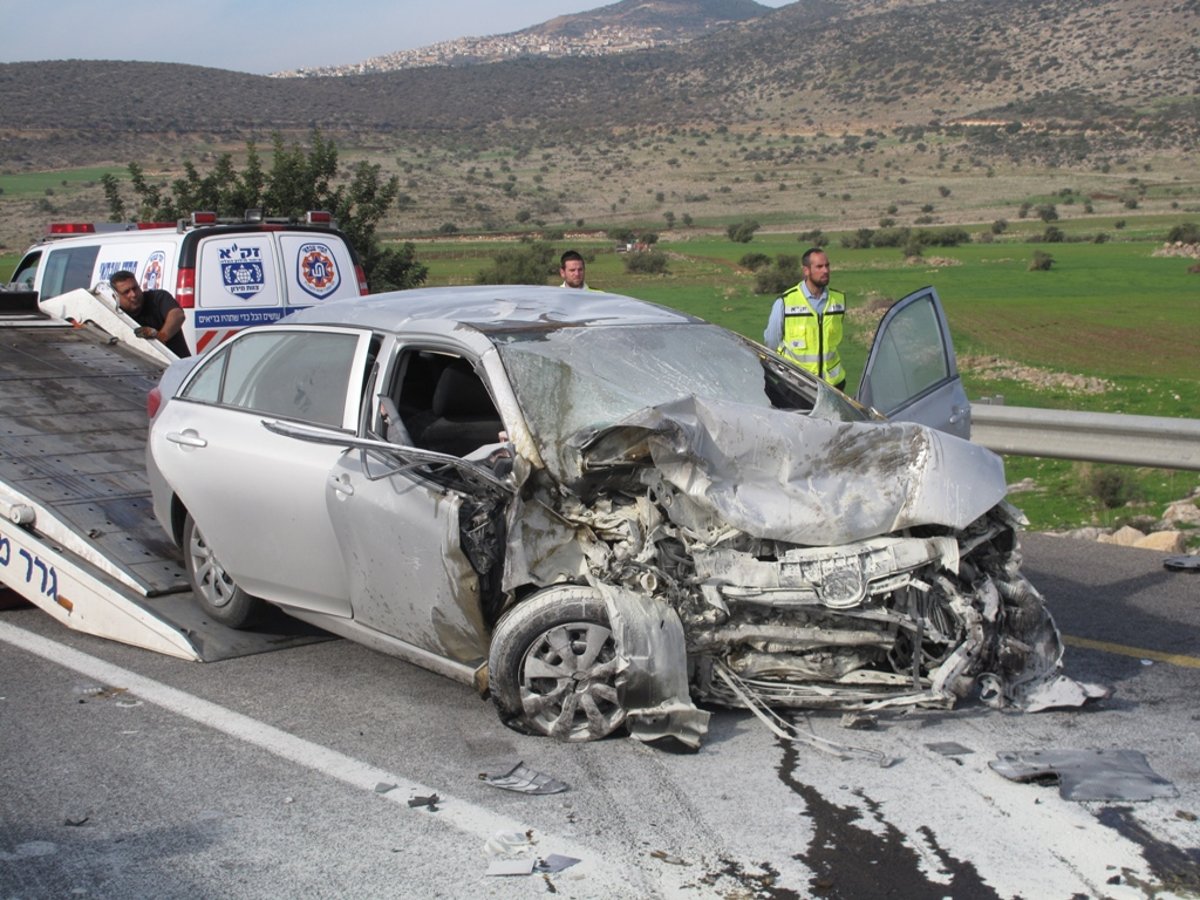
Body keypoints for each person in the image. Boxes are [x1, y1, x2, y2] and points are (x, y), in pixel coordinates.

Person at [763, 248, 845, 391]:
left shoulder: (839, 301)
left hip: (832, 387)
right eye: (819, 267)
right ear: (806, 271)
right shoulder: (785, 302)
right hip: (796, 386)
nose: (825, 270)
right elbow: (771, 341)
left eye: (827, 265)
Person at [109, 270, 191, 357]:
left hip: (179, 365)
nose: (133, 294)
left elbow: (178, 315)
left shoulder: (158, 298)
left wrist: (161, 337)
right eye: (126, 292)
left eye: (135, 288)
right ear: (115, 297)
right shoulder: (115, 316)